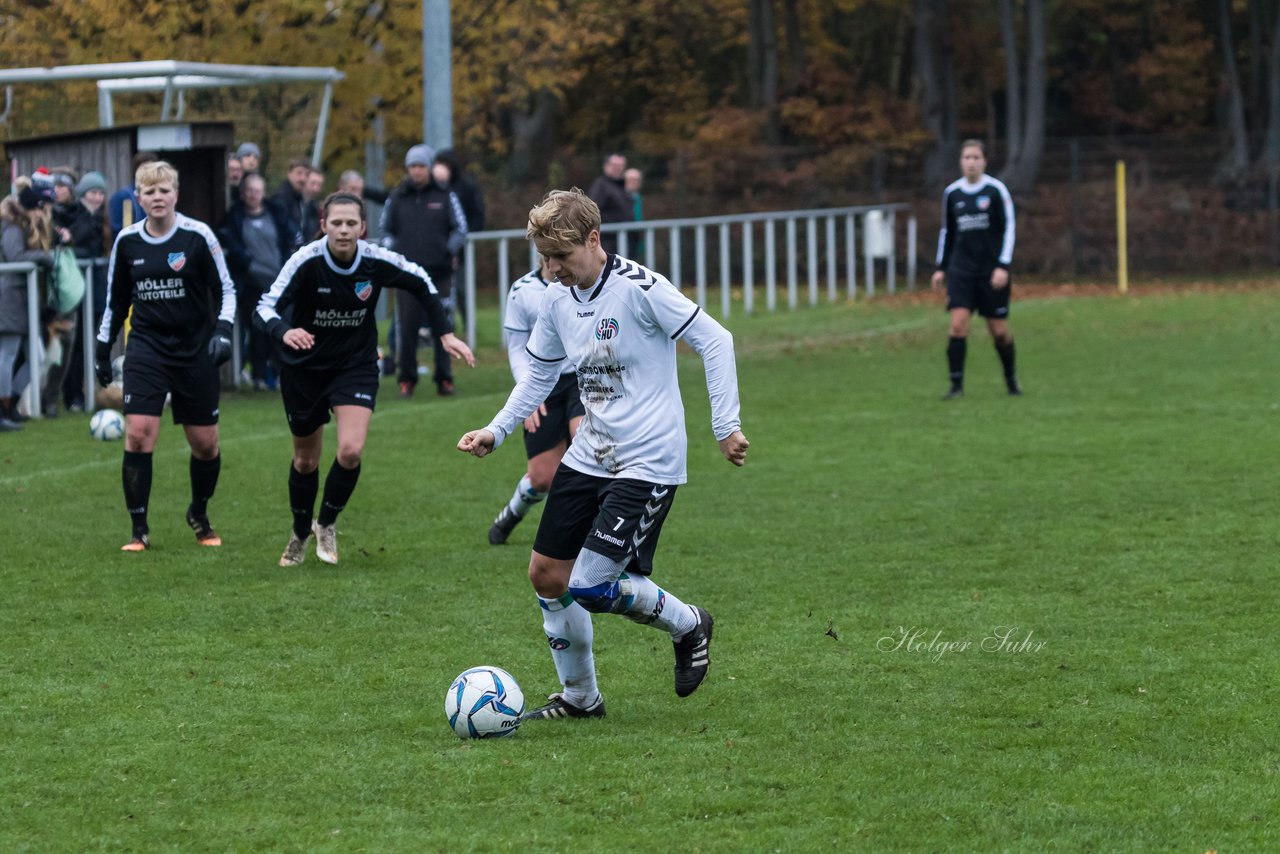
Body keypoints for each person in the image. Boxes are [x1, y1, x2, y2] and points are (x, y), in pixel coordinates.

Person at [457, 188, 749, 720]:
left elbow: (716, 339)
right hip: (590, 454)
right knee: (547, 574)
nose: (551, 269)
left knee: (591, 584)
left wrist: (725, 425)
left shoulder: (641, 288)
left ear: (594, 240)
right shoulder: (555, 298)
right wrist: (496, 431)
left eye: (561, 257)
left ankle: (689, 625)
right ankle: (580, 699)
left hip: (648, 459)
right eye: (544, 258)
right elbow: (541, 374)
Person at [254, 192, 475, 566]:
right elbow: (264, 307)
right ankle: (298, 531)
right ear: (323, 225)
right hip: (304, 369)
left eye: (350, 223)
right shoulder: (306, 261)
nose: (343, 230)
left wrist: (445, 333)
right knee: (306, 461)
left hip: (353, 366)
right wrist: (284, 332)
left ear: (363, 227)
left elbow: (421, 280)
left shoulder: (374, 260)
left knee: (350, 450)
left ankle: (325, 523)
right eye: (336, 223)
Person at [94, 161, 237, 552]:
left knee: (205, 444)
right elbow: (116, 300)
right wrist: (103, 349)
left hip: (194, 349)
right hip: (147, 348)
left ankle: (199, 513)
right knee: (139, 434)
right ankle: (139, 530)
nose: (157, 197)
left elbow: (226, 288)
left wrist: (223, 332)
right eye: (149, 191)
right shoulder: (127, 241)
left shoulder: (197, 236)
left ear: (176, 194)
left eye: (164, 190)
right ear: (138, 198)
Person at [487, 259, 584, 545]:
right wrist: (526, 394)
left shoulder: (583, 284)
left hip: (583, 379)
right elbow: (517, 349)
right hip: (543, 383)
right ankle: (513, 512)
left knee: (585, 443)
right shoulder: (522, 291)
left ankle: (590, 533)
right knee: (542, 478)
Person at [930, 139, 1020, 399]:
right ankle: (956, 387)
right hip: (961, 270)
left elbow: (1009, 229)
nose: (971, 162)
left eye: (976, 158)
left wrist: (1003, 265)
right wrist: (941, 267)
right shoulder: (952, 193)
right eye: (967, 157)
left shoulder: (995, 190)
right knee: (958, 325)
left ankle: (1010, 379)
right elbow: (947, 231)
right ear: (961, 162)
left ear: (984, 161)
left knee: (999, 331)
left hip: (991, 270)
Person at [380, 144, 468, 398]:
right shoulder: (396, 197)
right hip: (407, 275)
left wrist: (447, 250)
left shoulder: (445, 195)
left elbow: (460, 229)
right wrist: (394, 252)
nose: (416, 171)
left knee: (444, 326)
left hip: (439, 273)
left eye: (420, 166)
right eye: (412, 166)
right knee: (406, 327)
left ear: (428, 168)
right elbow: (385, 230)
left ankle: (444, 378)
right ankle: (406, 379)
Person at [220, 172, 298, 390]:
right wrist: (245, 262)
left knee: (283, 329)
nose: (254, 195)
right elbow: (229, 242)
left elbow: (290, 239)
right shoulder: (235, 218)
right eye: (250, 191)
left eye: (258, 191)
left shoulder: (276, 215)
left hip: (278, 283)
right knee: (257, 332)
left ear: (264, 193)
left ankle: (283, 374)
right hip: (251, 283)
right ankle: (259, 376)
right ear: (243, 194)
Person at [0, 176, 55, 431]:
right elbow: (15, 257)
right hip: (10, 298)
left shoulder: (18, 225)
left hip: (19, 299)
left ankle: (10, 402)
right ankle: (3, 409)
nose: (39, 215)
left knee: (35, 356)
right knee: (7, 356)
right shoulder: (11, 227)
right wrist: (44, 257)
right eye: (36, 209)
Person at [62, 170, 110, 412]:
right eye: (93, 192)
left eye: (101, 193)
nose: (97, 197)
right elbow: (75, 249)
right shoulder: (77, 216)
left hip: (96, 288)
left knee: (89, 341)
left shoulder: (101, 217)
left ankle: (83, 390)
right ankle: (72, 394)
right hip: (78, 288)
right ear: (82, 193)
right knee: (77, 343)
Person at [586, 153, 631, 254]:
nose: (618, 168)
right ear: (606, 166)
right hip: (608, 241)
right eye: (615, 165)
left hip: (623, 239)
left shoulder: (622, 186)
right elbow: (592, 210)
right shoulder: (600, 185)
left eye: (621, 166)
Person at [108, 151, 157, 239]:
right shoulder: (125, 198)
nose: (149, 172)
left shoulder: (159, 196)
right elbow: (124, 231)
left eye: (152, 169)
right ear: (136, 171)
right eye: (145, 169)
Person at [271, 157, 320, 241]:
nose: (303, 179)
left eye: (306, 175)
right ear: (289, 173)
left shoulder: (302, 201)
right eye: (299, 173)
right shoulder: (280, 199)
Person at [624, 167, 644, 256]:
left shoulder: (640, 197)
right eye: (630, 179)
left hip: (639, 240)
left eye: (637, 180)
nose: (634, 182)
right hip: (624, 241)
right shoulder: (617, 198)